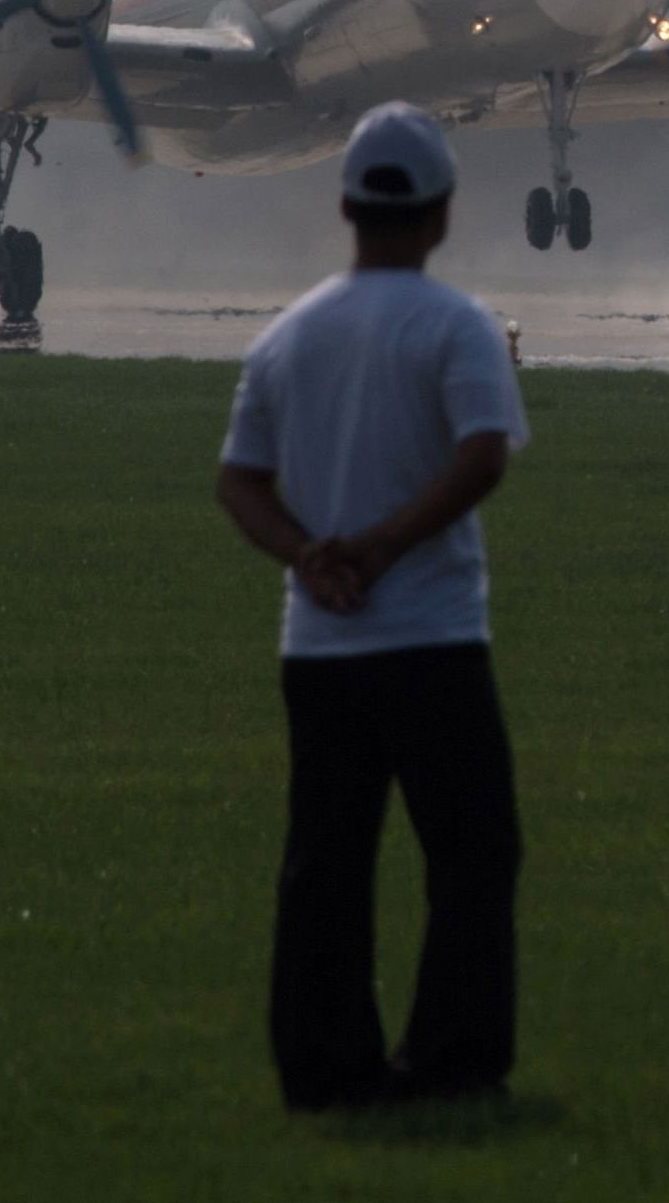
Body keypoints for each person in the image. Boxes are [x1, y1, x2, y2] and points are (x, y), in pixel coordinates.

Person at [215, 102, 531, 1111]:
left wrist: (310, 554)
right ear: (440, 214)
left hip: (318, 643)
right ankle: (451, 1059)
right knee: (473, 854)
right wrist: (389, 544)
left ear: (344, 202)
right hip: (432, 636)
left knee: (325, 864)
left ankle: (322, 1065)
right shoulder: (459, 324)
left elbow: (238, 483)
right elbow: (483, 452)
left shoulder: (284, 336)